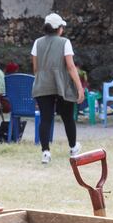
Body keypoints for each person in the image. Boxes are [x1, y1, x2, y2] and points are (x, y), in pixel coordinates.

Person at [31, 13, 85, 164]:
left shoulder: (37, 43)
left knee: (45, 118)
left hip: (42, 84)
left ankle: (46, 152)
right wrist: (79, 87)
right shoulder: (65, 42)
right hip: (62, 85)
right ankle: (73, 148)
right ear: (58, 28)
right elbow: (70, 66)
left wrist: (42, 78)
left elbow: (35, 67)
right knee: (68, 117)